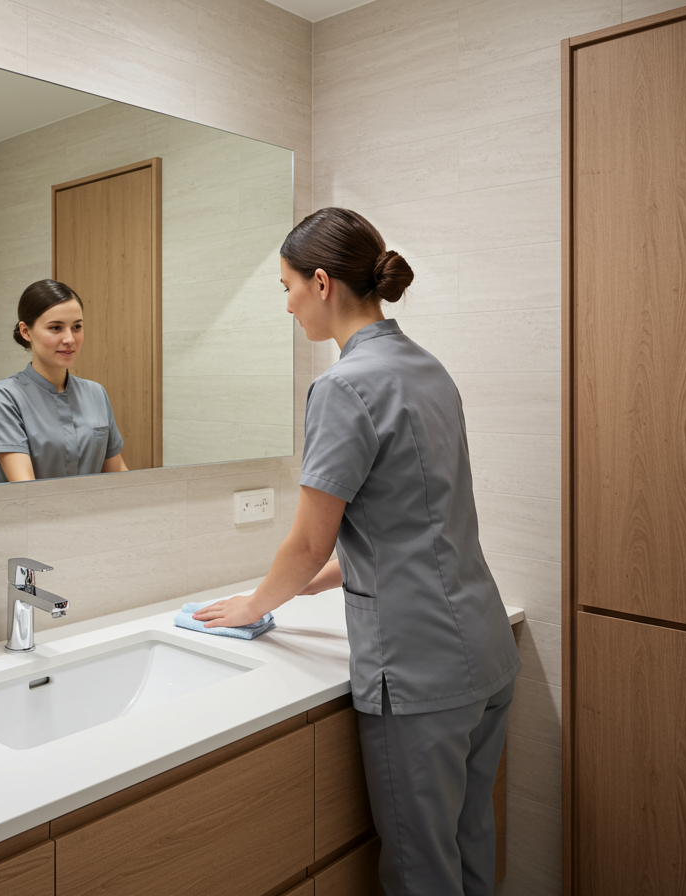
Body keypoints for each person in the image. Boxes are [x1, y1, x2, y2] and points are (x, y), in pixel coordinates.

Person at [193, 208, 520, 896]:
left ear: (320, 283)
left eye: (285, 287)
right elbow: (417, 523)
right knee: (469, 853)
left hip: (420, 670)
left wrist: (254, 604)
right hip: (484, 653)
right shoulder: (426, 368)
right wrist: (310, 588)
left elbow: (310, 539)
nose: (286, 306)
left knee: (420, 875)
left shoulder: (344, 386)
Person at [0, 279, 129, 482]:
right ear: (26, 331)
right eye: (56, 328)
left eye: (76, 326)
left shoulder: (96, 393)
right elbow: (25, 489)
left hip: (95, 513)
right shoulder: (5, 397)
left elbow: (119, 475)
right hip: (35, 513)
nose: (70, 339)